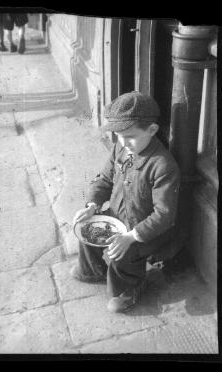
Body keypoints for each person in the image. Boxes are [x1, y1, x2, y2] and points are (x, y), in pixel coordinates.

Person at [71, 91, 181, 313]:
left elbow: (164, 215)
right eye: (119, 136)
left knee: (122, 252)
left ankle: (132, 284)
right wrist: (92, 206)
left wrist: (130, 238)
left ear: (151, 130)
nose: (123, 142)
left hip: (146, 231)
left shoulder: (162, 166)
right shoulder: (121, 147)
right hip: (118, 216)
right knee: (87, 229)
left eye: (130, 136)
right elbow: (103, 179)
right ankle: (93, 269)